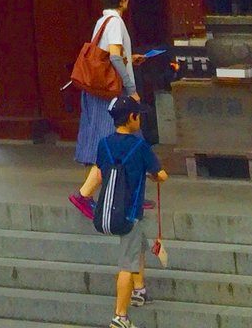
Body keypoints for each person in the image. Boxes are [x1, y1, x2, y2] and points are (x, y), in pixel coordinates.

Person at [72, 95, 166, 328]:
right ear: (132, 118)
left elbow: (102, 170)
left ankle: (140, 290)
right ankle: (120, 317)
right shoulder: (140, 145)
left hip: (111, 209)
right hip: (130, 213)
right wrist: (154, 174)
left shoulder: (103, 144)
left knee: (139, 247)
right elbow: (161, 175)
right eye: (138, 115)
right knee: (127, 264)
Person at [74, 0, 135, 166]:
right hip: (111, 91)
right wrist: (131, 88)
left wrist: (131, 59)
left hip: (97, 90)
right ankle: (90, 192)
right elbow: (115, 58)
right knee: (113, 143)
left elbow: (106, 57)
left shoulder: (102, 21)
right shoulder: (116, 22)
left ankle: (110, 191)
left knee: (104, 144)